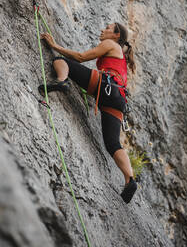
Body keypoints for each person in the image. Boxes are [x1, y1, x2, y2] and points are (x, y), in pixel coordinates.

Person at [39, 23, 137, 203]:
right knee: (112, 143)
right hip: (118, 99)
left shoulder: (111, 45)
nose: (102, 30)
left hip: (105, 85)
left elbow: (81, 57)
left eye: (107, 28)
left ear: (116, 35)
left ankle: (62, 81)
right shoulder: (120, 55)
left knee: (61, 61)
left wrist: (54, 46)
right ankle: (129, 179)